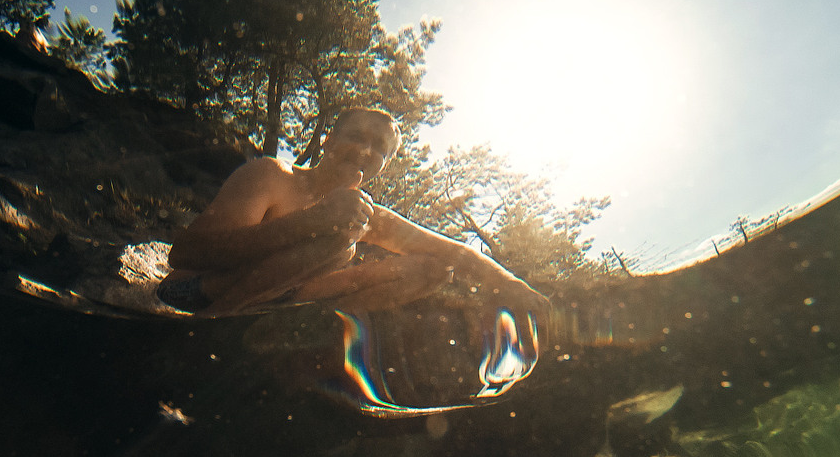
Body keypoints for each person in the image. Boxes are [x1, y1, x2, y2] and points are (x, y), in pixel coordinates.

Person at [158, 108, 549, 324]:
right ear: (329, 140)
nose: (364, 150)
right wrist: (310, 222)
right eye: (355, 136)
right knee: (340, 242)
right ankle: (209, 332)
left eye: (378, 147)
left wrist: (511, 284)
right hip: (192, 293)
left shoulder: (366, 214)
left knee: (432, 269)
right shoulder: (271, 176)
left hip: (273, 301)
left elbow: (455, 252)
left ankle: (300, 333)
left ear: (385, 164)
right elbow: (187, 255)